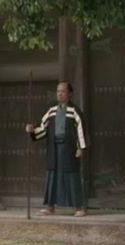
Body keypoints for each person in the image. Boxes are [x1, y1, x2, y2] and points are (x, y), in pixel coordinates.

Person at [25, 81, 88, 217]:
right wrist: (32, 129)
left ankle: (79, 207)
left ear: (70, 94)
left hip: (69, 148)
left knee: (72, 176)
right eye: (58, 91)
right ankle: (50, 207)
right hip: (54, 148)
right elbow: (43, 127)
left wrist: (80, 148)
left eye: (63, 91)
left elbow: (80, 130)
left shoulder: (74, 111)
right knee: (52, 176)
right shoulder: (52, 110)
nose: (60, 94)